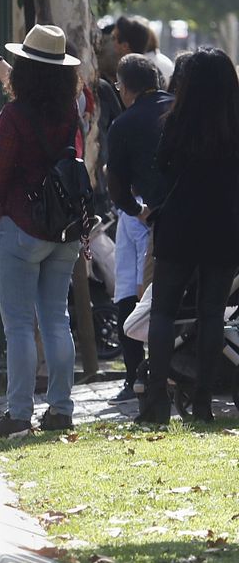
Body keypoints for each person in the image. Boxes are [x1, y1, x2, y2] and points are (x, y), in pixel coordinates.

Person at [0, 25, 83, 437]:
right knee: (57, 320)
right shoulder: (70, 108)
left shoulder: (15, 115)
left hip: (20, 226)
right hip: (64, 227)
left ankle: (19, 414)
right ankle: (61, 409)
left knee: (19, 325)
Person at [138, 46, 239, 425]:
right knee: (212, 313)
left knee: (163, 310)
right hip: (225, 223)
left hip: (181, 222)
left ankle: (155, 402)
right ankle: (203, 402)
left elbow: (161, 169)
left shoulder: (178, 122)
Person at [105, 53, 171, 407]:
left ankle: (140, 376)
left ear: (126, 88)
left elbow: (116, 185)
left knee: (134, 295)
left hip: (148, 217)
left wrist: (136, 211)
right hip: (184, 211)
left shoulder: (125, 123)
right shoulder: (180, 110)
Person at [113, 14, 174, 88]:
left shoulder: (136, 74)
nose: (113, 43)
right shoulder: (155, 65)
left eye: (114, 38)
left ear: (125, 46)